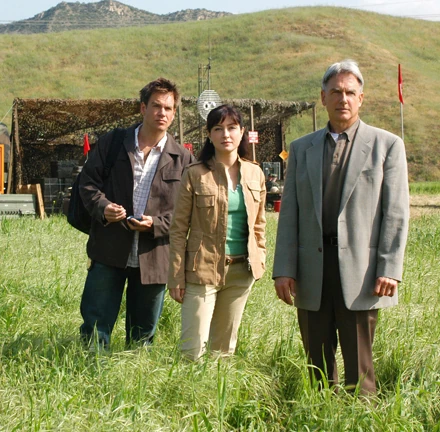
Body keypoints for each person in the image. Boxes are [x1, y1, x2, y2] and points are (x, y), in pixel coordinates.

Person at [273, 60, 409, 394]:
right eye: (335, 92)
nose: (342, 99)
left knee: (360, 366)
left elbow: (395, 213)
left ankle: (361, 415)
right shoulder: (301, 148)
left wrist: (389, 268)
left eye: (350, 92)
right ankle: (322, 415)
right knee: (316, 363)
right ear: (323, 97)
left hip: (362, 272)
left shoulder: (386, 145)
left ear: (361, 98)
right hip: (312, 269)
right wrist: (284, 269)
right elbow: (289, 214)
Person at [78, 77, 195, 348]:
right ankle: (91, 367)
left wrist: (156, 224)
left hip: (155, 256)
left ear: (174, 114)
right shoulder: (113, 143)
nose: (162, 113)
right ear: (143, 108)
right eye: (156, 106)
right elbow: (87, 183)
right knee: (95, 325)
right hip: (109, 249)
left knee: (143, 335)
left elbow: (187, 212)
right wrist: (103, 208)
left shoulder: (183, 159)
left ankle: (135, 370)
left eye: (168, 108)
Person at [168, 104, 267, 360]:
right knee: (192, 350)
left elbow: (259, 224)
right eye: (218, 129)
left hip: (241, 272)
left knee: (223, 352)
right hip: (201, 271)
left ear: (242, 132)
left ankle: (218, 387)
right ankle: (189, 386)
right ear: (209, 135)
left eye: (232, 128)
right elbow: (178, 229)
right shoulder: (195, 174)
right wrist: (176, 276)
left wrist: (261, 256)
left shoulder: (255, 173)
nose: (226, 134)